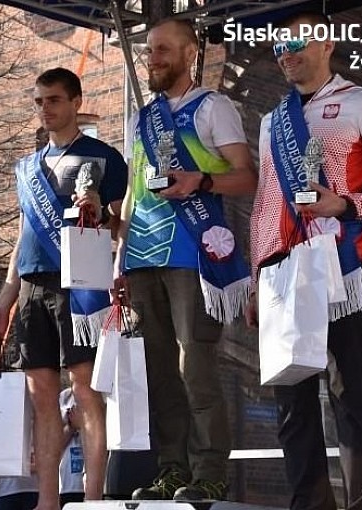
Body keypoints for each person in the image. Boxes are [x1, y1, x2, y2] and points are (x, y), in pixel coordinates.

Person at [245, 12, 362, 510]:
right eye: (280, 44)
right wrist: (258, 274)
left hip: (340, 267)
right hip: (284, 270)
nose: (287, 51)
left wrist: (345, 204)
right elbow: (265, 202)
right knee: (291, 398)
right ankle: (310, 504)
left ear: (326, 43)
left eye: (298, 41)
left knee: (350, 396)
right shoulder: (271, 119)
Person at [112, 17, 257, 501]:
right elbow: (134, 192)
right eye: (149, 50)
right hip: (143, 255)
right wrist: (120, 259)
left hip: (192, 254)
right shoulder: (141, 117)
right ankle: (171, 468)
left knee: (194, 364)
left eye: (163, 50)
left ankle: (209, 471)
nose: (152, 59)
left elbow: (246, 177)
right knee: (158, 373)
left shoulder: (213, 107)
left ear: (190, 53)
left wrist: (202, 181)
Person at [0, 67, 127, 510]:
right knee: (40, 395)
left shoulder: (104, 158)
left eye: (55, 100)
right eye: (40, 101)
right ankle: (46, 500)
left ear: (76, 102)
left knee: (85, 390)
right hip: (32, 288)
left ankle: (92, 497)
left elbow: (123, 228)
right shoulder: (26, 168)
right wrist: (4, 303)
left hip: (82, 283)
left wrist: (100, 213)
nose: (46, 109)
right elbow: (25, 235)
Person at [58, 388, 84, 507]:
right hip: (65, 486)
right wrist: (71, 427)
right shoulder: (64, 396)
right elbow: (55, 445)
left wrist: (82, 426)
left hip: (87, 486)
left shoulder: (96, 394)